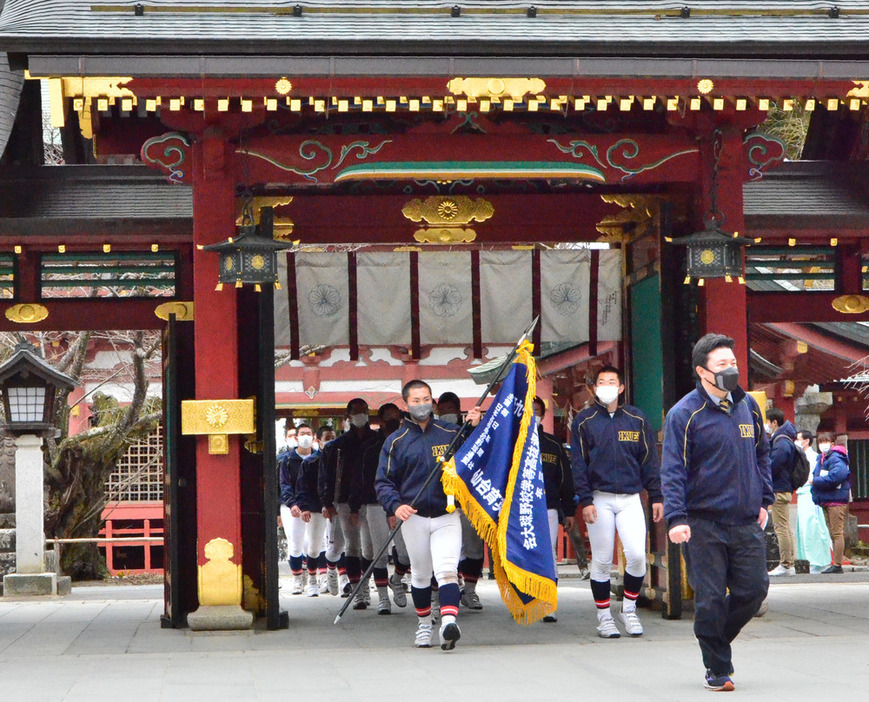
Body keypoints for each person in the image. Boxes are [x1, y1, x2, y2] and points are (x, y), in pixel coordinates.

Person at [661, 333, 772, 692]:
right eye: (722, 365)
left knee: (753, 591)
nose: (731, 370)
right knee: (708, 599)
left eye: (734, 364)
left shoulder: (748, 407)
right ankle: (717, 667)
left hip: (745, 521)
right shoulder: (684, 414)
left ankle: (714, 641)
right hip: (702, 522)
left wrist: (764, 500)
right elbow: (673, 469)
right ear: (702, 371)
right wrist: (676, 518)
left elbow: (762, 455)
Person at [375, 380, 481, 651]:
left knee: (447, 571)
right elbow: (383, 482)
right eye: (416, 400)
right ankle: (424, 626)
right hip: (414, 518)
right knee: (421, 575)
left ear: (432, 402)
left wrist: (475, 426)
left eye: (426, 399)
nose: (422, 405)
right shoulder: (395, 441)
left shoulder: (451, 432)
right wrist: (395, 506)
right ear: (406, 404)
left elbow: (476, 453)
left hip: (447, 514)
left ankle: (447, 622)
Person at [570, 366, 662, 639]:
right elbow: (578, 464)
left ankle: (629, 611)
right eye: (601, 382)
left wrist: (656, 496)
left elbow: (649, 461)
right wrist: (585, 500)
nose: (607, 385)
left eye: (612, 381)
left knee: (636, 556)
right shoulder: (584, 421)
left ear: (621, 388)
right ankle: (603, 617)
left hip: (631, 498)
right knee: (600, 560)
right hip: (599, 499)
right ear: (595, 388)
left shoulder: (637, 419)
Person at [319, 399, 378, 607]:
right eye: (356, 411)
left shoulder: (377, 441)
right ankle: (359, 592)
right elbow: (326, 475)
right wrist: (327, 502)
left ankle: (366, 582)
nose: (360, 414)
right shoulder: (338, 446)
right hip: (344, 500)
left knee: (370, 549)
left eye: (363, 411)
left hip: (372, 500)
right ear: (348, 416)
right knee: (352, 547)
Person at [356, 402, 409, 614]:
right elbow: (364, 479)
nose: (393, 421)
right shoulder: (370, 446)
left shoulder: (407, 440)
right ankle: (383, 599)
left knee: (405, 553)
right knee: (379, 552)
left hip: (403, 504)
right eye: (389, 417)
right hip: (376, 503)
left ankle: (396, 580)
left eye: (397, 417)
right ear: (380, 420)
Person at [532, 396, 578, 623]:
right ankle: (525, 600)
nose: (533, 413)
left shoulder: (553, 444)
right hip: (518, 509)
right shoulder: (510, 445)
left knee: (548, 553)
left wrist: (568, 509)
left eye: (537, 409)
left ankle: (548, 602)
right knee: (521, 554)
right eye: (529, 409)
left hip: (548, 507)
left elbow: (564, 479)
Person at [437, 391, 484, 611]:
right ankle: (450, 590)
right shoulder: (434, 433)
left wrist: (475, 428)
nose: (447, 414)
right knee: (448, 550)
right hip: (442, 500)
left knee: (473, 547)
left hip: (468, 498)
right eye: (443, 410)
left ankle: (471, 591)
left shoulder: (468, 432)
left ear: (458, 410)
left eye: (451, 410)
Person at [278, 423, 316, 595]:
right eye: (302, 433)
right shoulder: (286, 460)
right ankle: (297, 579)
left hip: (313, 506)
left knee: (312, 543)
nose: (306, 436)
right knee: (295, 543)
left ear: (314, 437)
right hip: (290, 506)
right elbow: (283, 484)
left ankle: (312, 576)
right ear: (296, 437)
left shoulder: (318, 458)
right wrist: (291, 503)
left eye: (309, 433)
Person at [295, 426, 332, 594]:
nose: (330, 440)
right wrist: (304, 507)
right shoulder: (309, 462)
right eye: (327, 437)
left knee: (336, 544)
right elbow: (302, 486)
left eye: (333, 436)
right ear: (318, 440)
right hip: (316, 508)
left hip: (337, 507)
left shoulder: (341, 459)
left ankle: (333, 577)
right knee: (315, 545)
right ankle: (312, 580)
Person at [811, 432, 851, 574]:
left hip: (836, 499)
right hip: (827, 499)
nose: (823, 444)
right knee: (833, 532)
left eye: (826, 441)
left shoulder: (836, 457)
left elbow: (837, 475)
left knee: (836, 532)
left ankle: (838, 563)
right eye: (821, 441)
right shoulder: (822, 458)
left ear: (833, 443)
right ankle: (836, 562)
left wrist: (816, 481)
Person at [794, 430, 832, 573]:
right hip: (801, 494)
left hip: (810, 493)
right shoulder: (800, 456)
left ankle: (818, 560)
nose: (797, 442)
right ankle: (807, 560)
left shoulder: (814, 457)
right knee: (803, 529)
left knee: (813, 526)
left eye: (799, 439)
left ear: (807, 441)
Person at [766, 408, 797, 577]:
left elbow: (774, 463)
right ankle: (789, 562)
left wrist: (764, 472)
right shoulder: (784, 439)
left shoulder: (781, 441)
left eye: (768, 422)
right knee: (785, 528)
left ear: (774, 422)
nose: (767, 425)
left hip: (779, 488)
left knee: (781, 528)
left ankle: (785, 564)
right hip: (783, 487)